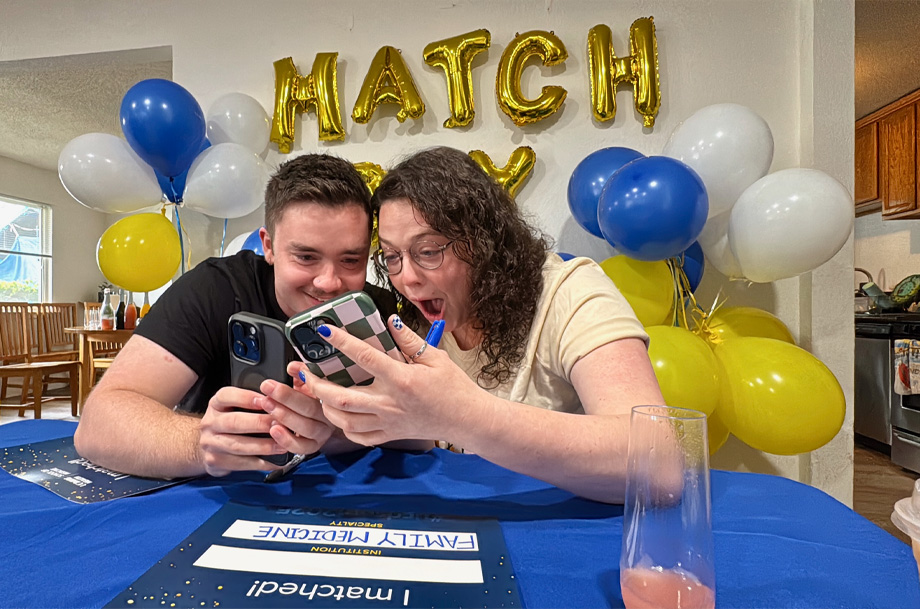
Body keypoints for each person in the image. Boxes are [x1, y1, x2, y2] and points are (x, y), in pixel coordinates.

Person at [294, 146, 666, 504]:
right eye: (392, 256)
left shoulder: (569, 291)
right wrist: (329, 427)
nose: (406, 279)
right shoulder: (408, 317)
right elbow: (417, 441)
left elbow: (658, 462)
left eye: (427, 251)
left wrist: (462, 415)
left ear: (483, 243)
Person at [74, 154, 402, 479]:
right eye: (305, 257)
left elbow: (414, 437)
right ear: (269, 246)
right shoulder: (215, 288)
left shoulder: (376, 309)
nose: (329, 282)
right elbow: (97, 426)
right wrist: (200, 444)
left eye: (350, 260)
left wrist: (335, 430)